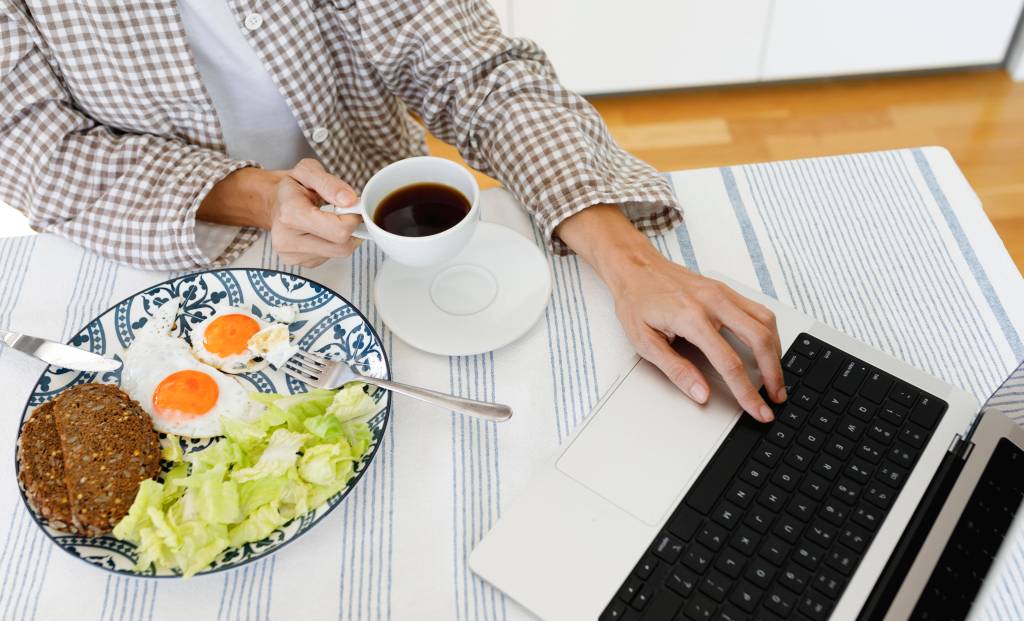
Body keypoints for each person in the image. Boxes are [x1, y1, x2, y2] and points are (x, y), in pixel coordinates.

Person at [0, 0, 785, 421]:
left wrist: (632, 265)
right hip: (149, 242)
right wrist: (254, 192)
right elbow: (34, 147)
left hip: (379, 234)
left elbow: (476, 71)